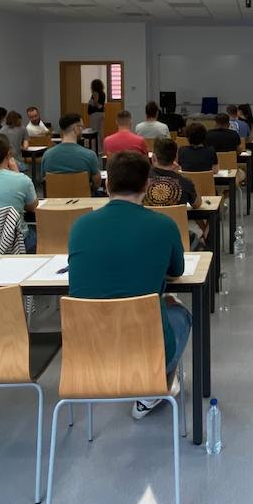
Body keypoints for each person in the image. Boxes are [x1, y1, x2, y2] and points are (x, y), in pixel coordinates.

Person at [66, 150, 191, 416]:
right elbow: (176, 271)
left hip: (87, 346)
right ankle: (155, 387)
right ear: (147, 184)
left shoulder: (80, 225)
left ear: (107, 184)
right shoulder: (163, 225)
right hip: (144, 344)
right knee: (179, 313)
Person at [145, 138, 205, 249]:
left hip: (145, 236)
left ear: (153, 158)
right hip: (178, 238)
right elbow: (197, 204)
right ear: (175, 158)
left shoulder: (140, 180)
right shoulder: (184, 183)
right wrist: (179, 175)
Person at [41, 113, 103, 194]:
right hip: (83, 203)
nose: (82, 130)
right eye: (82, 127)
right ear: (76, 129)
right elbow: (97, 183)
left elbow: (44, 180)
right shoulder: (90, 155)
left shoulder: (47, 155)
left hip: (55, 204)